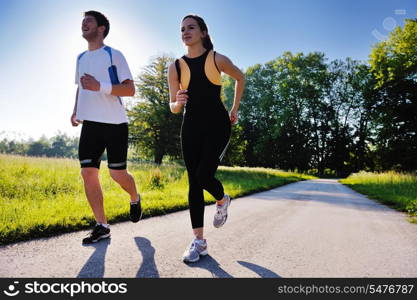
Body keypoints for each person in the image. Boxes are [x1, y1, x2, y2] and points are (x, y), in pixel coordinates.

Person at [168, 14, 245, 262]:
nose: (185, 32)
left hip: (217, 125)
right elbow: (173, 106)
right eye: (182, 29)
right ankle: (199, 242)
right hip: (190, 126)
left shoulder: (216, 58)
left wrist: (234, 110)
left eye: (191, 28)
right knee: (193, 182)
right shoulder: (176, 66)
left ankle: (221, 199)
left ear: (202, 32)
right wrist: (176, 102)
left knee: (203, 176)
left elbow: (240, 77)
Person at [71, 11, 142, 244]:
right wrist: (76, 110)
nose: (84, 23)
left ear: (101, 28)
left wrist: (98, 85)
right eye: (83, 21)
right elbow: (81, 87)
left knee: (117, 174)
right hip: (90, 123)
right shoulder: (80, 57)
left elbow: (130, 90)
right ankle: (102, 225)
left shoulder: (114, 55)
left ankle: (134, 197)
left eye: (89, 21)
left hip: (115, 123)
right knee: (87, 172)